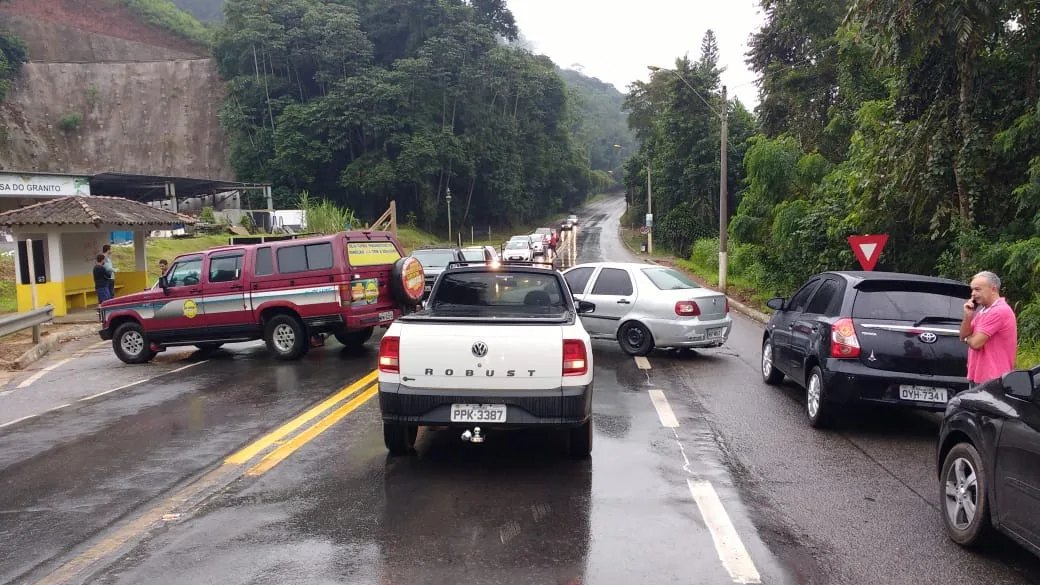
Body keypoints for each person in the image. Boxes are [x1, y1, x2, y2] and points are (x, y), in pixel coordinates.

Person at [960, 271, 1018, 387]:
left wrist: (968, 338)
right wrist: (968, 316)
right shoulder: (983, 311)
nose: (973, 294)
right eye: (972, 290)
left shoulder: (999, 311)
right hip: (978, 375)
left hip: (992, 378)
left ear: (993, 289)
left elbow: (976, 344)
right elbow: (962, 335)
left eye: (977, 289)